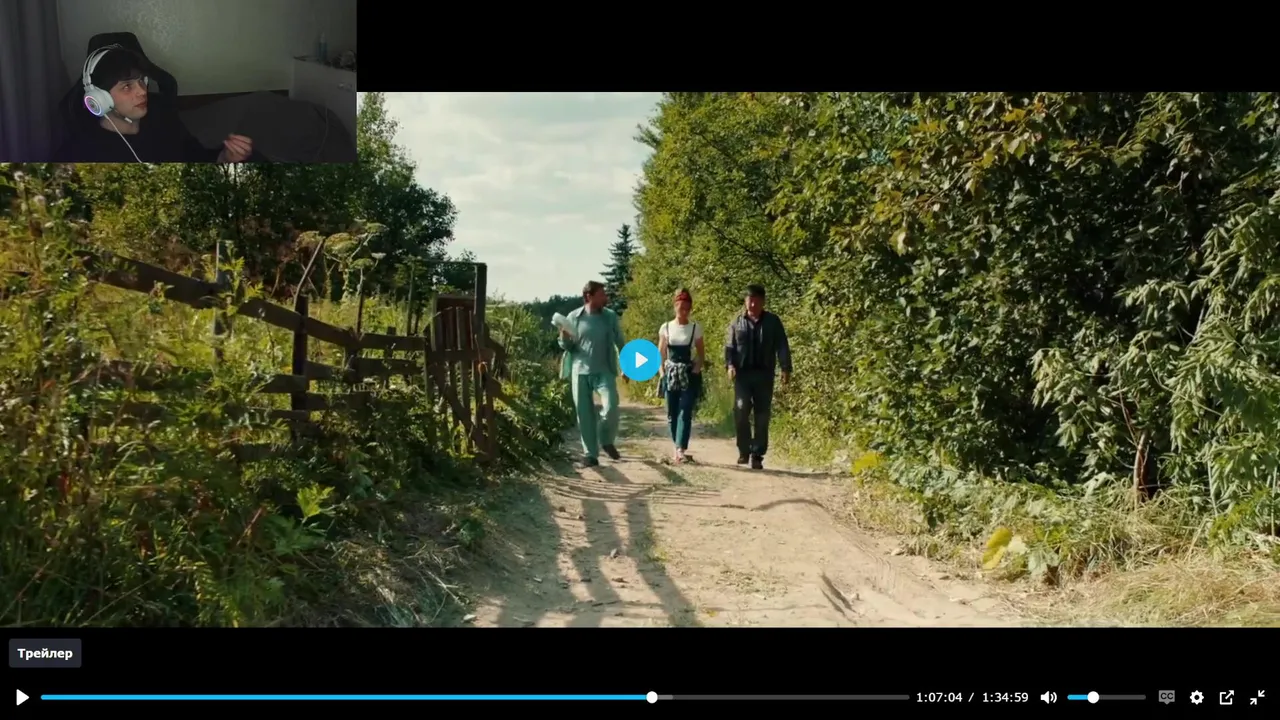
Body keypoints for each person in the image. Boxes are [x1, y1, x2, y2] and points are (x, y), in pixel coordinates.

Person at [55, 45, 254, 163]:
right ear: (99, 99)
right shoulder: (79, 152)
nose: (142, 91)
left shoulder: (162, 114)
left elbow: (196, 157)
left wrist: (225, 158)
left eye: (142, 81)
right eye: (127, 87)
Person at [558, 280, 626, 468]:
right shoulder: (574, 317)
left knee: (611, 407)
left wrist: (627, 367)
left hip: (604, 370)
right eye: (601, 294)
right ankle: (590, 454)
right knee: (584, 414)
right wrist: (564, 336)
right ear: (589, 296)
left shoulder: (609, 317)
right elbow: (567, 346)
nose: (605, 297)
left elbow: (620, 342)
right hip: (580, 371)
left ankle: (606, 440)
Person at [724, 284, 792, 470]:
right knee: (741, 409)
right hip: (743, 375)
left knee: (762, 415)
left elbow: (782, 345)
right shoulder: (737, 322)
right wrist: (730, 365)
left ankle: (757, 454)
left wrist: (785, 368)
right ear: (745, 301)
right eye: (749, 300)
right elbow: (730, 347)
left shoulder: (772, 322)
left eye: (756, 300)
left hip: (764, 375)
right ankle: (744, 450)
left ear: (763, 301)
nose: (752, 304)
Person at [658, 287, 705, 464]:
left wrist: (696, 369)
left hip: (688, 373)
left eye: (687, 308)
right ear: (675, 306)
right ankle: (676, 446)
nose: (684, 311)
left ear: (690, 308)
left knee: (685, 411)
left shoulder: (695, 328)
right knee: (672, 412)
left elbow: (701, 353)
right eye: (681, 307)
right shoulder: (666, 328)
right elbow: (661, 353)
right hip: (670, 373)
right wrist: (662, 373)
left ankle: (680, 449)